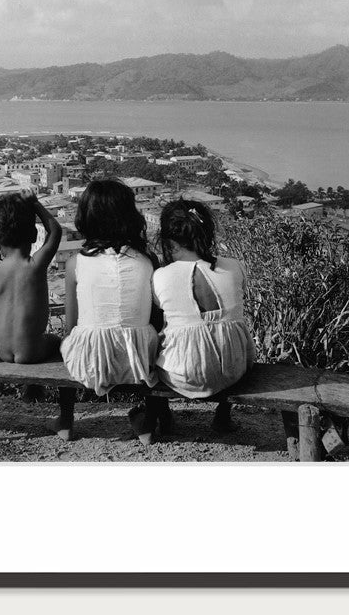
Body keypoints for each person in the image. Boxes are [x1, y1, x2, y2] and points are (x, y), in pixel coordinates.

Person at [60, 178, 163, 443]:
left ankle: (65, 421)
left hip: (90, 362)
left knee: (69, 342)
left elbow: (70, 327)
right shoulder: (148, 260)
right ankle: (149, 422)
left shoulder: (75, 263)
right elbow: (155, 317)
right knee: (153, 338)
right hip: (139, 361)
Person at [152, 198, 255, 432]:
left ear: (170, 241)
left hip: (185, 373)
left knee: (154, 339)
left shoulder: (160, 276)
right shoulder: (234, 266)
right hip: (235, 367)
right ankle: (222, 417)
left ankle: (163, 417)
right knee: (222, 336)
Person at [0, 192, 63, 364]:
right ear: (34, 235)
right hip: (32, 351)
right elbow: (55, 231)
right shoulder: (35, 265)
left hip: (1, 350)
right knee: (58, 342)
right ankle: (39, 388)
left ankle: (32, 388)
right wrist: (35, 203)